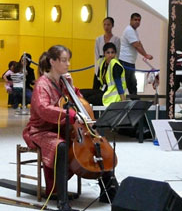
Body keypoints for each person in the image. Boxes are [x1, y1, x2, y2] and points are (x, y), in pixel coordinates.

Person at [22, 45, 117, 209]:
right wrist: (72, 116)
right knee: (62, 146)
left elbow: (80, 104)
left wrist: (71, 88)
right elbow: (44, 109)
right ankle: (61, 199)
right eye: (64, 60)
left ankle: (107, 188)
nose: (68, 64)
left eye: (68, 60)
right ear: (52, 62)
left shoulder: (62, 82)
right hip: (42, 131)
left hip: (65, 128)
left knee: (98, 143)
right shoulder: (42, 85)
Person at [119, 13, 153, 95]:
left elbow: (139, 44)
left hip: (130, 62)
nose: (137, 22)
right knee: (127, 83)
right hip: (125, 62)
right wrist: (146, 55)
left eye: (139, 20)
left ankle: (135, 102)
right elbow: (136, 46)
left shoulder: (134, 31)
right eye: (135, 20)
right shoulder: (129, 30)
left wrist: (146, 54)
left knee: (132, 83)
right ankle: (120, 102)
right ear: (130, 20)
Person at [94, 17, 120, 90]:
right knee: (96, 88)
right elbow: (96, 54)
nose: (106, 27)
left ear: (112, 25)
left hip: (110, 64)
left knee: (108, 87)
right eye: (104, 25)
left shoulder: (116, 39)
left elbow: (117, 55)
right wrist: (96, 69)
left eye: (108, 25)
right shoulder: (98, 39)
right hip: (100, 64)